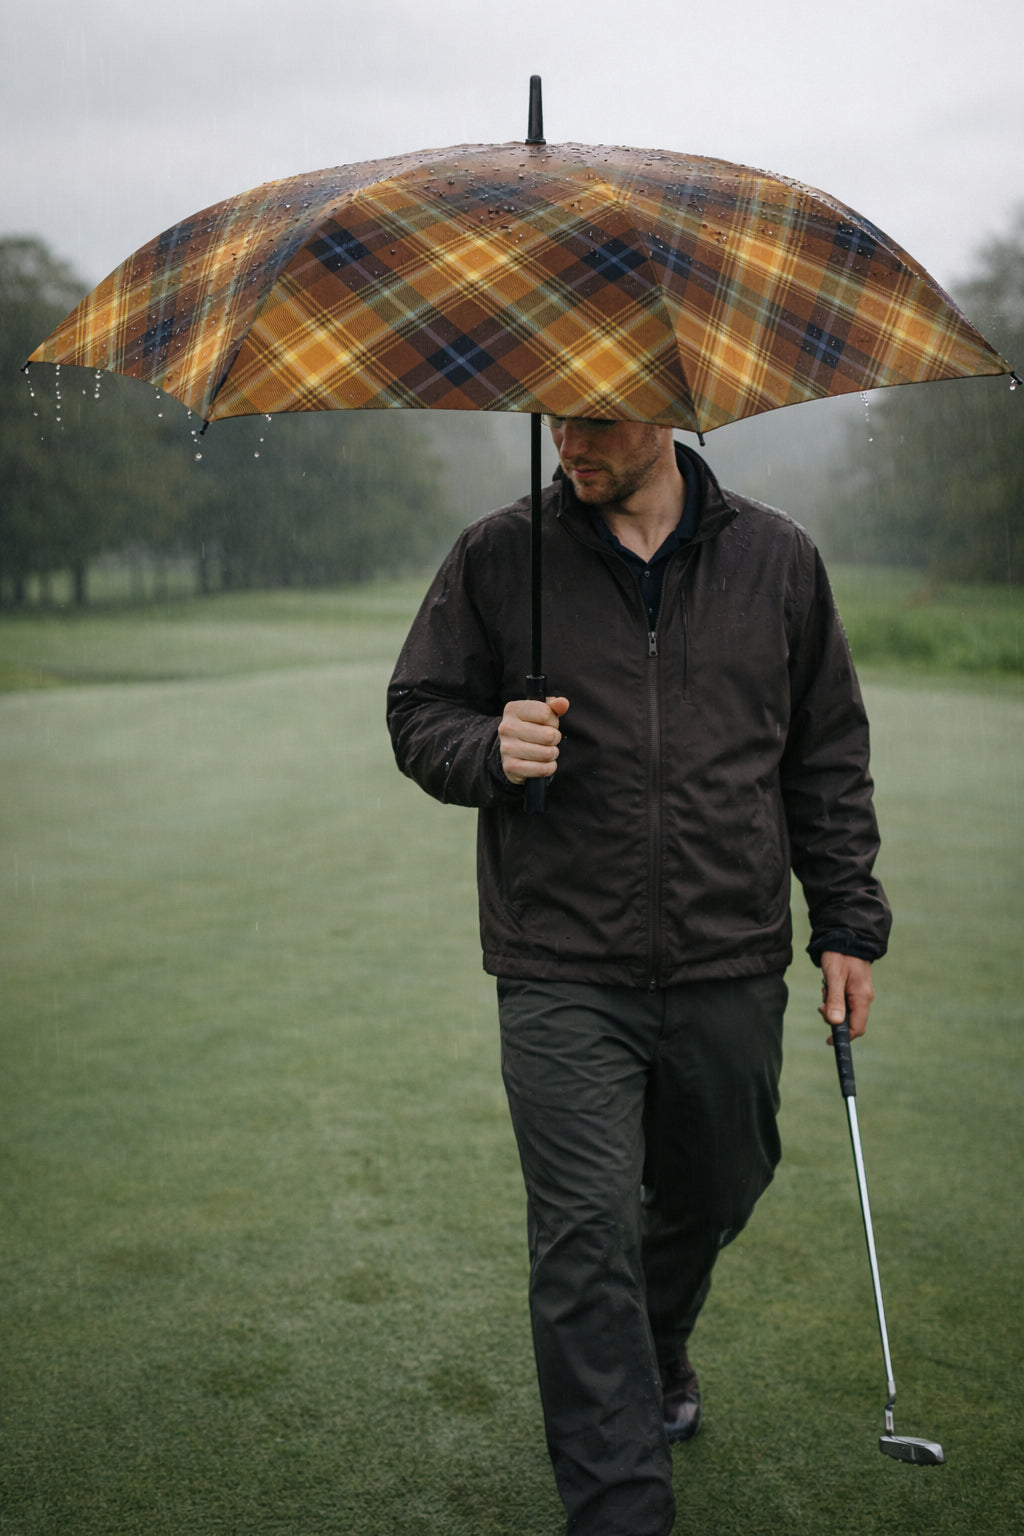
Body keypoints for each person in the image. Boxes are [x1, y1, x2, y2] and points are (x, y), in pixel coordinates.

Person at [386, 415, 890, 1536]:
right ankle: (620, 1512)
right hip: (560, 960)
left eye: (598, 414)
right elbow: (417, 711)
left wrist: (848, 920)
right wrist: (490, 746)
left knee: (720, 1183)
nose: (570, 436)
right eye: (555, 414)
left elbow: (825, 754)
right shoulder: (495, 555)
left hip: (729, 951)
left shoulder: (779, 560)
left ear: (663, 408)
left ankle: (657, 1340)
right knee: (581, 1235)